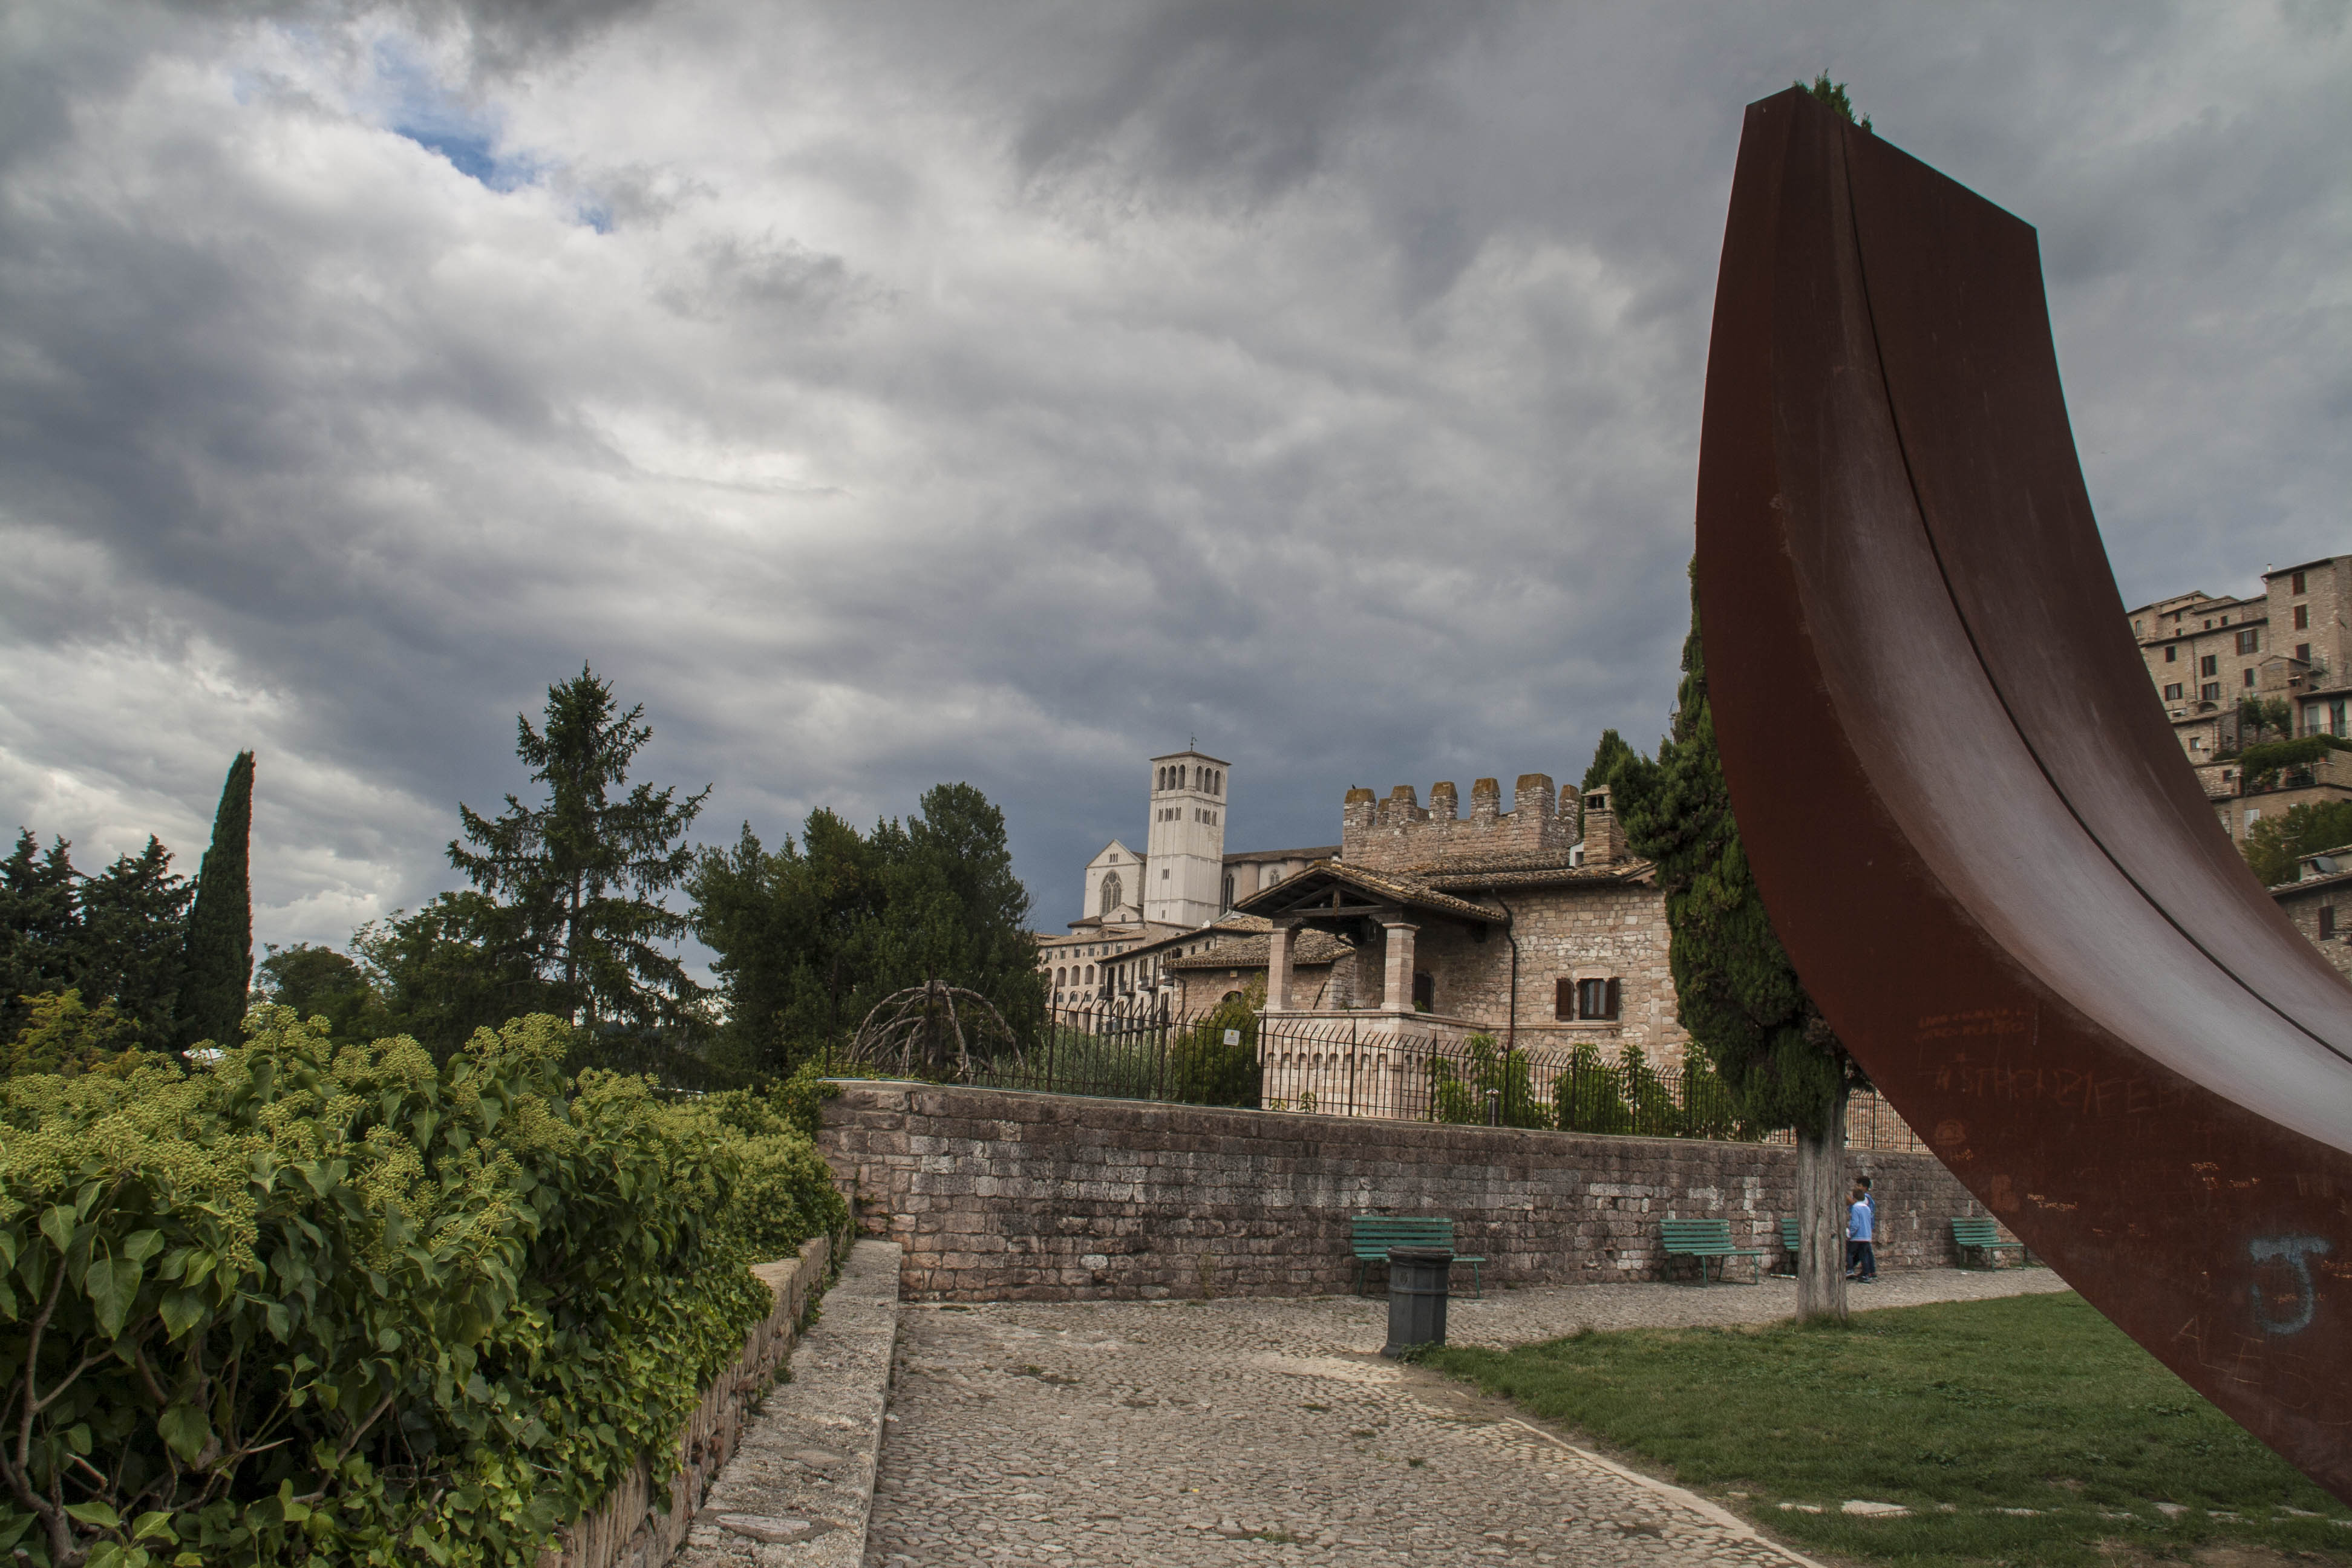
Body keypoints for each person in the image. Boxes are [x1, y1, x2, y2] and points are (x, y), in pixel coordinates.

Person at [1846, 1176, 1877, 1282]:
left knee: (1853, 1252)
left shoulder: (1864, 1200)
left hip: (1858, 1234)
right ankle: (1867, 1273)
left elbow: (1856, 1222)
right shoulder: (1867, 1208)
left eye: (1859, 1186)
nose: (1857, 1187)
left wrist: (1851, 1233)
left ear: (1864, 1187)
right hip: (1866, 1234)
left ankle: (1853, 1269)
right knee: (1864, 1253)